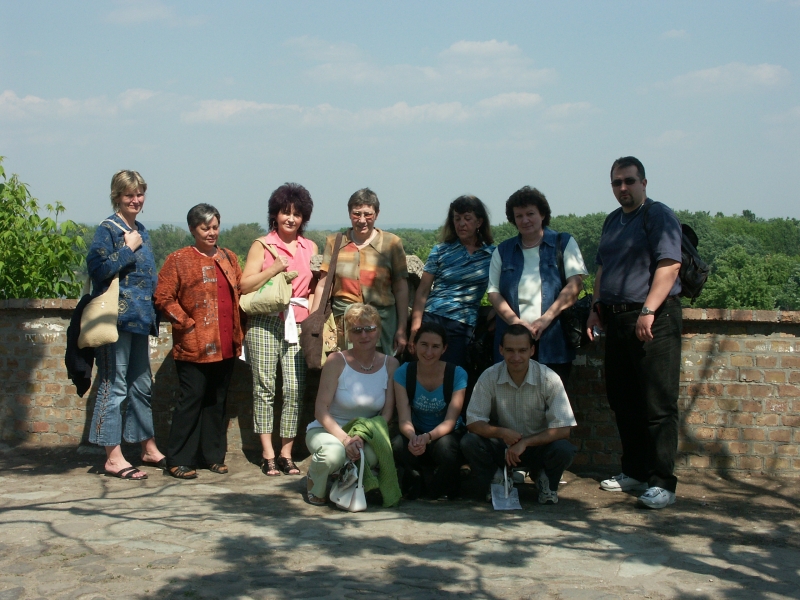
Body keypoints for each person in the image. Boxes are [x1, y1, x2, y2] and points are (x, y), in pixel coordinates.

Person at [586, 156, 683, 510]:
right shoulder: (613, 221)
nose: (623, 188)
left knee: (658, 403)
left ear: (644, 182)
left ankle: (662, 482)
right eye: (617, 182)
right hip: (617, 320)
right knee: (623, 400)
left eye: (629, 181)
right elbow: (602, 269)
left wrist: (648, 310)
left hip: (654, 319)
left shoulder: (657, 215)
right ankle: (636, 471)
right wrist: (595, 308)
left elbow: (670, 264)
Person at [86, 170, 165, 480]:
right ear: (117, 196)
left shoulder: (141, 230)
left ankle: (147, 447)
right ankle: (113, 456)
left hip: (140, 320)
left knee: (141, 386)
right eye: (129, 194)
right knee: (114, 386)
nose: (135, 199)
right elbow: (97, 269)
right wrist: (127, 249)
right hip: (115, 321)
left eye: (139, 194)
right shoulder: (108, 229)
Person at [154, 204, 243, 479]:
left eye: (215, 227)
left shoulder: (228, 257)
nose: (211, 233)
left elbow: (240, 290)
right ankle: (179, 459)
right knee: (191, 400)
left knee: (217, 401)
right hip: (195, 345)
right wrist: (187, 323)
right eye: (205, 228)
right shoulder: (179, 260)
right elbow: (163, 297)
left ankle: (212, 456)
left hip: (226, 343)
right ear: (193, 229)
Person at [241, 183, 317, 477]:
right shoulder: (262, 245)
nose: (291, 218)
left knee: (295, 389)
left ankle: (286, 453)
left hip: (297, 322)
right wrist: (273, 269)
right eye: (286, 212)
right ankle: (268, 454)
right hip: (265, 320)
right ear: (275, 214)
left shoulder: (310, 247)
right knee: (264, 387)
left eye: (297, 214)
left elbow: (314, 287)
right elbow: (244, 285)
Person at [461, 324, 577, 505]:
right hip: (502, 446)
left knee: (564, 449)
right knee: (469, 442)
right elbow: (473, 422)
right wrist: (501, 433)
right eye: (510, 350)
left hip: (536, 447)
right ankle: (497, 478)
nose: (516, 357)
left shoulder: (549, 378)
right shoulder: (489, 376)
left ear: (532, 350)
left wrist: (525, 442)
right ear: (501, 350)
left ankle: (546, 480)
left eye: (522, 350)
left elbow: (564, 429)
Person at [487, 187, 588, 381]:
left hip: (554, 341)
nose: (525, 220)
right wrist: (516, 323)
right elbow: (493, 293)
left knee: (552, 397)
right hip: (513, 344)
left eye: (530, 214)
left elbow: (575, 285)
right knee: (510, 396)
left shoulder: (564, 243)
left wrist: (545, 319)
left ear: (542, 214)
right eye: (519, 216)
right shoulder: (503, 251)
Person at [305, 303, 398, 506]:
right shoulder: (336, 361)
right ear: (348, 334)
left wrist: (361, 436)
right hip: (327, 430)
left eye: (369, 329)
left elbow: (387, 413)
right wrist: (346, 440)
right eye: (357, 330)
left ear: (379, 330)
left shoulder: (391, 364)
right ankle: (315, 480)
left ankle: (343, 481)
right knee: (333, 455)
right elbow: (321, 410)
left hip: (366, 433)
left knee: (372, 455)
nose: (364, 335)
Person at [311, 188, 409, 356]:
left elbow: (401, 288)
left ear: (377, 214)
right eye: (357, 214)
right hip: (345, 325)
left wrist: (401, 329)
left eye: (368, 214)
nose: (362, 220)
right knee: (347, 368)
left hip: (383, 324)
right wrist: (314, 323)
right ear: (349, 214)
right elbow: (323, 285)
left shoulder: (391, 243)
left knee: (382, 368)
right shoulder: (335, 242)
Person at [409, 195, 495, 369]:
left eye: (467, 218)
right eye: (457, 218)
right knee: (423, 370)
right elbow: (423, 290)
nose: (461, 223)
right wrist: (415, 326)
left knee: (452, 373)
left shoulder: (492, 255)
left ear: (479, 222)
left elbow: (500, 288)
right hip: (432, 317)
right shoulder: (441, 250)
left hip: (463, 324)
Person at [391, 322, 467, 500]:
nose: (428, 352)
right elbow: (404, 419)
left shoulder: (457, 374)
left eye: (435, 347)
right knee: (398, 445)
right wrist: (413, 437)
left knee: (446, 448)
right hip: (416, 431)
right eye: (424, 345)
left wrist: (427, 437)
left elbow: (450, 421)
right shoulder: (403, 372)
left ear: (444, 349)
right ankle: (416, 479)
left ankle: (440, 485)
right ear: (414, 345)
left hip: (445, 434)